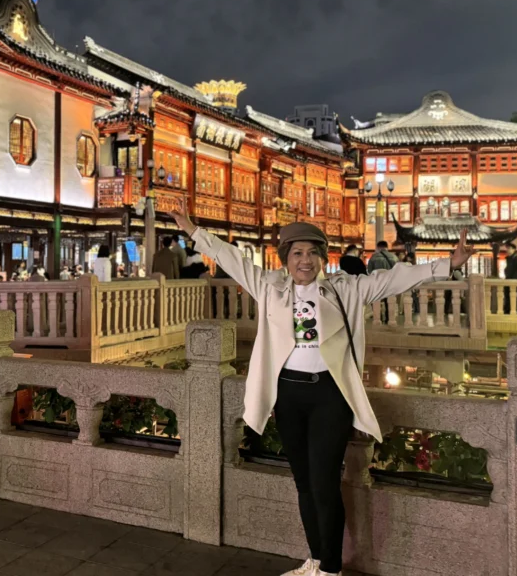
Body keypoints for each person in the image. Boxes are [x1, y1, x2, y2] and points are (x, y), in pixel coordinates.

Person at [168, 200, 470, 576]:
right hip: (289, 396)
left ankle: (330, 568)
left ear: (324, 258)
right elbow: (231, 258)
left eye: (312, 253)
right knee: (304, 483)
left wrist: (448, 264)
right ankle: (313, 560)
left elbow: (395, 279)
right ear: (285, 259)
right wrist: (193, 230)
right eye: (297, 254)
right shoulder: (269, 286)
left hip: (329, 395)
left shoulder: (346, 289)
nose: (305, 261)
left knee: (325, 482)